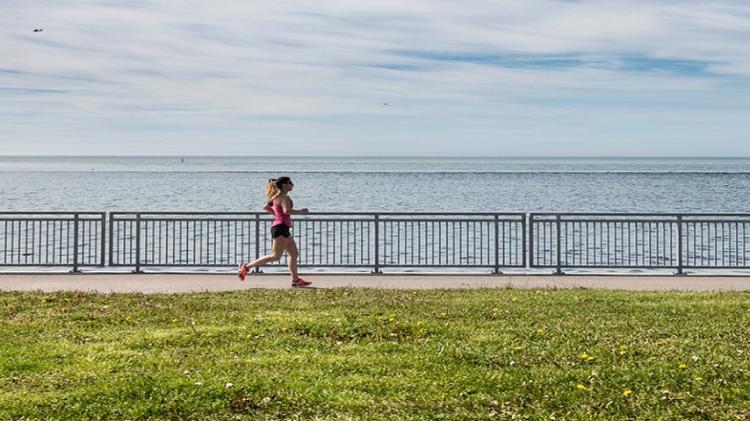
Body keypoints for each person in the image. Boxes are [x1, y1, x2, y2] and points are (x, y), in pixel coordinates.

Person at [238, 177, 311, 287]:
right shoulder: (284, 197)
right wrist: (301, 212)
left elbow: (265, 207)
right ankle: (246, 267)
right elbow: (286, 211)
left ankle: (296, 280)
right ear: (284, 185)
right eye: (290, 183)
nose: (293, 185)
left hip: (283, 228)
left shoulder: (276, 197)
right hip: (280, 228)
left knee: (294, 253)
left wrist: (277, 215)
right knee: (275, 256)